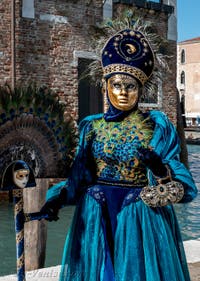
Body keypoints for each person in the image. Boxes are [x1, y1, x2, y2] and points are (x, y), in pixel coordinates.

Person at [40, 28, 197, 281]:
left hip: (140, 219)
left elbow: (184, 187)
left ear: (140, 89)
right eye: (116, 85)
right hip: (95, 214)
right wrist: (56, 199)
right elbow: (80, 179)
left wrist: (160, 170)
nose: (123, 92)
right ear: (105, 86)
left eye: (130, 86)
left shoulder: (155, 126)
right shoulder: (91, 127)